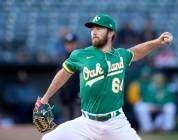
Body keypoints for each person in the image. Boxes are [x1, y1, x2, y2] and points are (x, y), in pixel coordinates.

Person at [35, 14, 173, 140]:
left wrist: (157, 42)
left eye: (99, 28)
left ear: (111, 32)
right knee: (49, 139)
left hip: (116, 123)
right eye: (92, 29)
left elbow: (137, 51)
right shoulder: (80, 55)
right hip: (87, 122)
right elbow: (64, 73)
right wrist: (46, 97)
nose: (94, 32)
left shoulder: (120, 55)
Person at [59, 33, 80, 122]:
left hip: (78, 97)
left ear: (76, 44)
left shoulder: (81, 58)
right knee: (66, 124)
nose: (70, 45)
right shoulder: (61, 59)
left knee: (77, 124)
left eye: (72, 43)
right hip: (65, 98)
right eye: (68, 43)